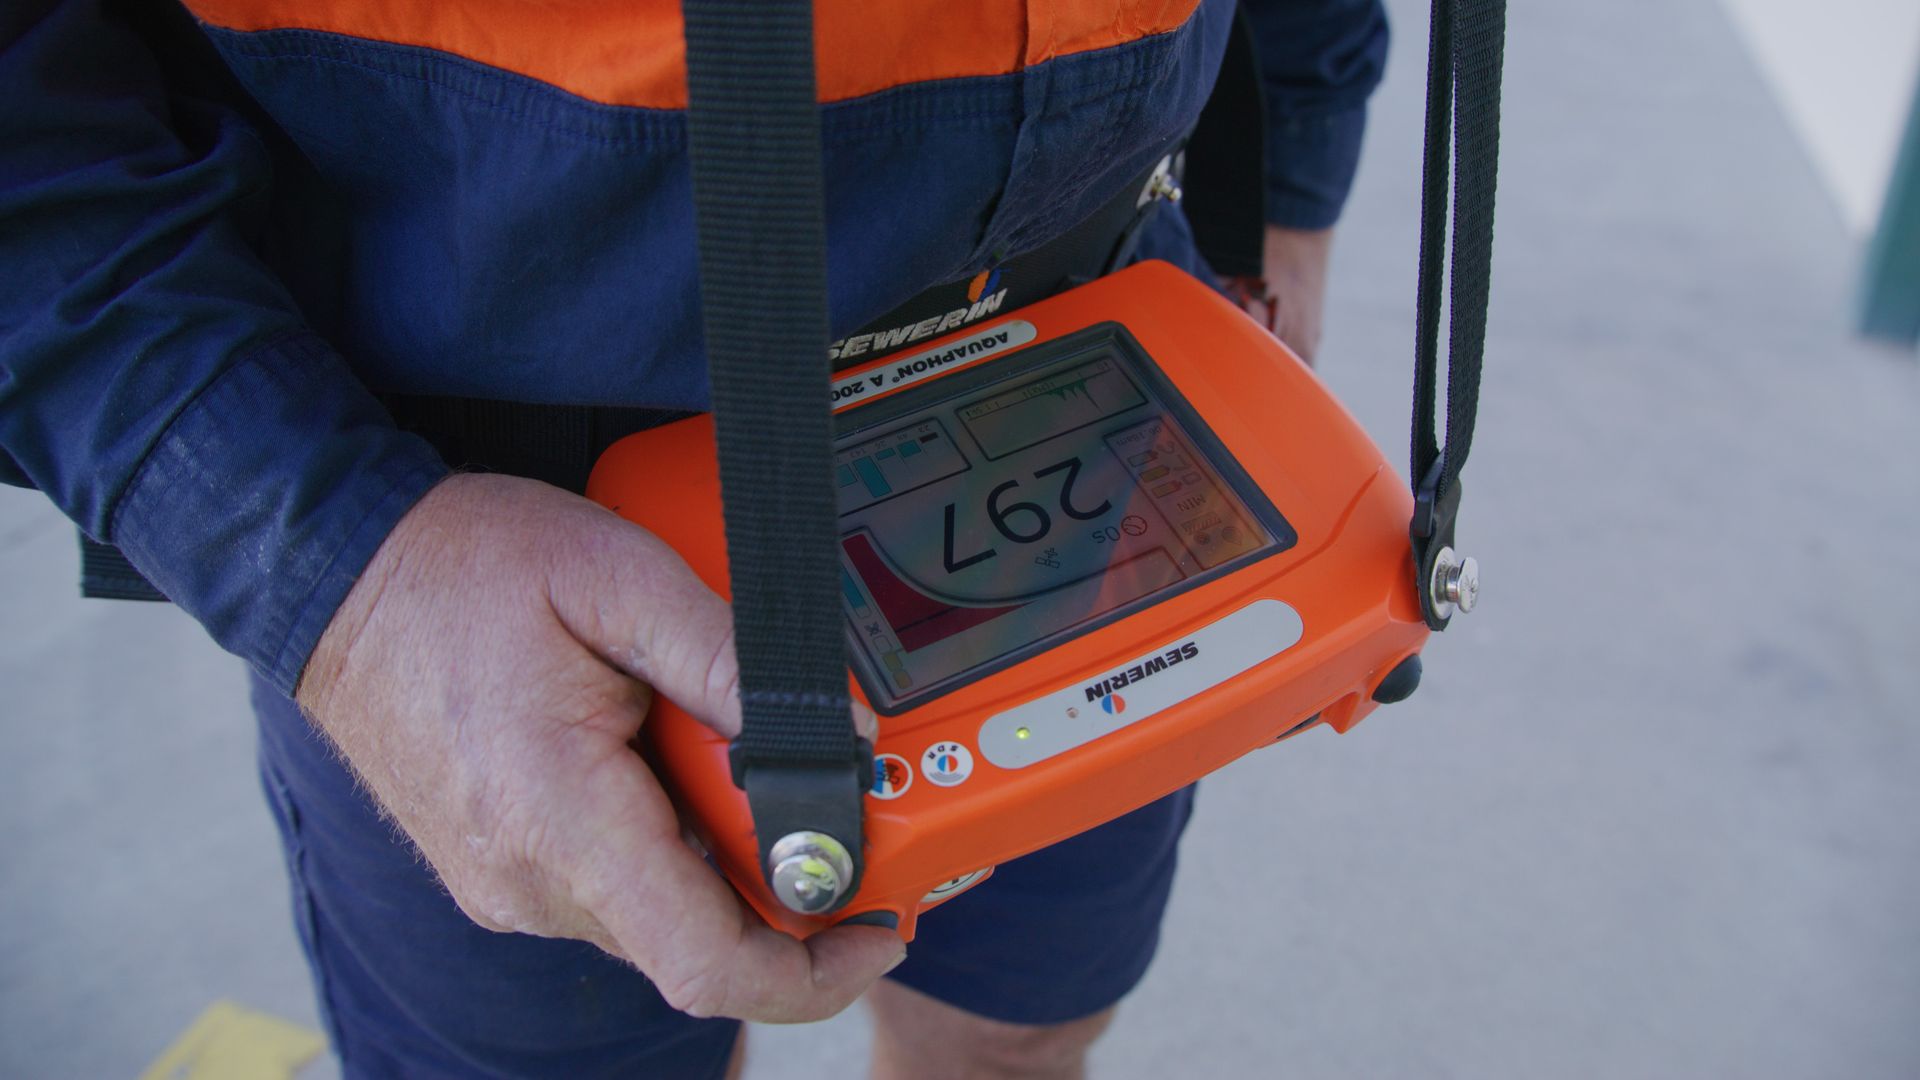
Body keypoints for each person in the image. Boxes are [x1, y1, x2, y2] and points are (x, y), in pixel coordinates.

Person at [0, 0, 1386, 1075]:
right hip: (498, 524)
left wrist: (1289, 169)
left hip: (1107, 364)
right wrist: (331, 561)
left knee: (1018, 1038)